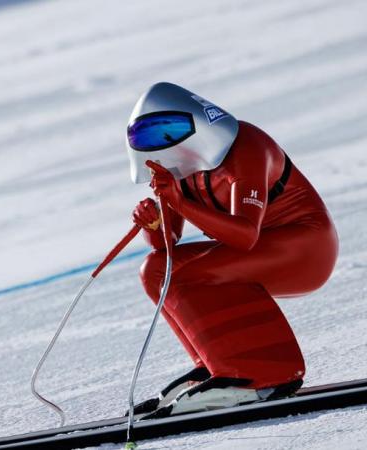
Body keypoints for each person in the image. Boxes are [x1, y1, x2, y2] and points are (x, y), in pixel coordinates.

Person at [126, 82, 338, 417]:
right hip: (257, 252)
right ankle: (216, 365)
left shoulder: (247, 149)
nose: (160, 142)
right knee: (153, 270)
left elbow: (244, 236)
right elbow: (165, 249)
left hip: (305, 248)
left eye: (169, 129)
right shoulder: (177, 164)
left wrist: (178, 201)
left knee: (195, 273)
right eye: (145, 135)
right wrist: (153, 225)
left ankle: (262, 374)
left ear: (202, 120)